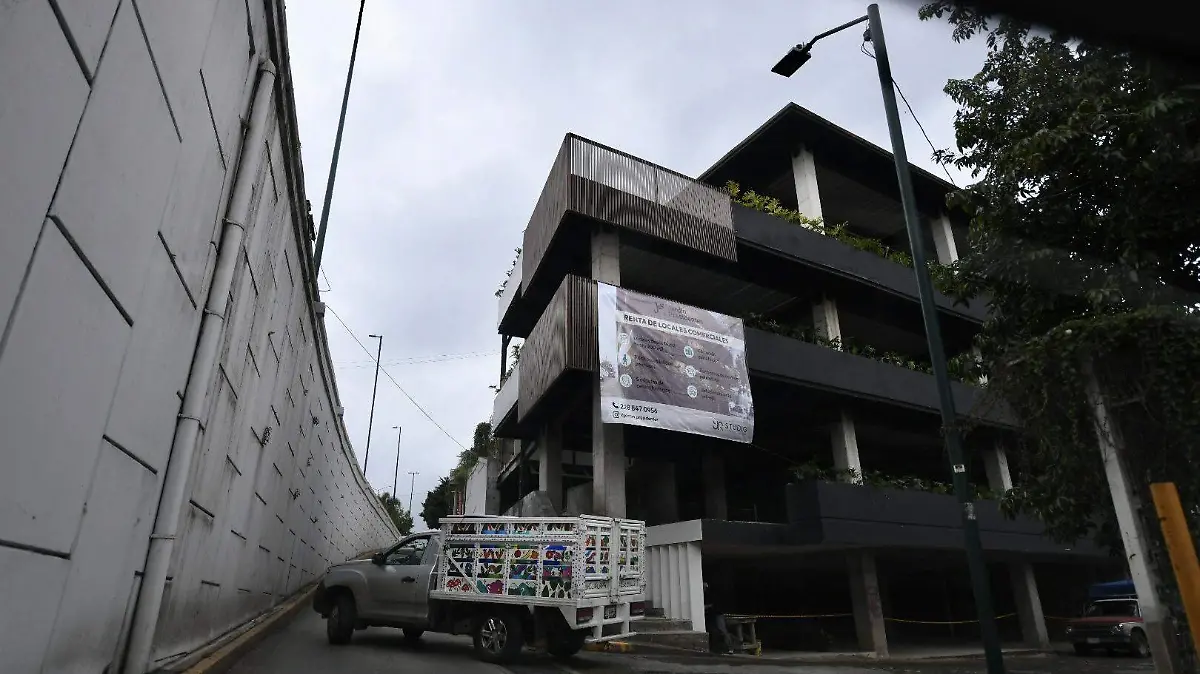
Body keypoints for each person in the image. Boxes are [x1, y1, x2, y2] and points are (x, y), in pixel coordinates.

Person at [703, 581, 734, 654]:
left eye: (704, 587)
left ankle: (730, 648)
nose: (703, 589)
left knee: (722, 630)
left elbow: (713, 604)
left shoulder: (711, 594)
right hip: (711, 614)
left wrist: (705, 606)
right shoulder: (705, 594)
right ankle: (718, 648)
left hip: (717, 613)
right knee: (715, 631)